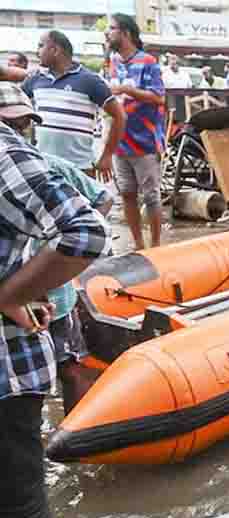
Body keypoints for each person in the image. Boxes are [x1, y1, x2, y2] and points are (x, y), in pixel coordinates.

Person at [0, 107, 110, 518]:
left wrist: (9, 292)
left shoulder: (13, 158)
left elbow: (88, 226)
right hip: (29, 324)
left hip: (9, 368)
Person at [0, 84, 112, 413]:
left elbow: (98, 206)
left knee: (71, 365)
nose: (19, 131)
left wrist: (24, 282)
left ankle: (74, 435)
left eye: (24, 124)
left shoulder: (43, 164)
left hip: (50, 296)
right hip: (34, 296)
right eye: (12, 124)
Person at [23, 31, 126, 181]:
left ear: (55, 50)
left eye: (40, 46)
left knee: (85, 204)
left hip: (80, 168)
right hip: (44, 166)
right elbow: (16, 108)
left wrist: (107, 156)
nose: (36, 52)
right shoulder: (35, 80)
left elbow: (119, 116)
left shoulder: (90, 80)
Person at [106, 13, 166, 251]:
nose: (107, 33)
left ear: (126, 33)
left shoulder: (148, 61)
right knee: (127, 194)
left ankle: (157, 245)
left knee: (151, 196)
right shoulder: (114, 61)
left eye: (111, 28)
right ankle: (139, 245)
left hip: (145, 141)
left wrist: (127, 90)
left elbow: (159, 97)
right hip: (120, 141)